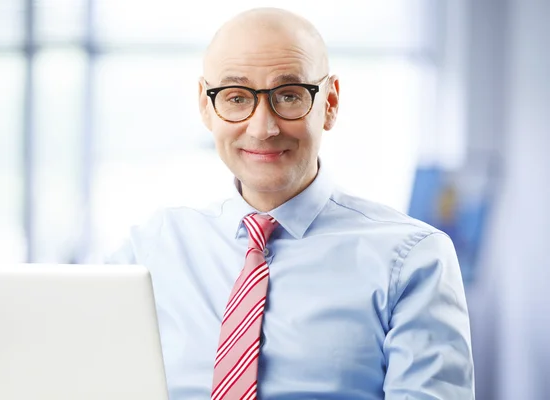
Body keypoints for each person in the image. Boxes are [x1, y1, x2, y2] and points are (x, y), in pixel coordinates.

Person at [108, 7, 475, 399]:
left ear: (329, 103)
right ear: (205, 105)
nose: (263, 128)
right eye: (235, 98)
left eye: (288, 96)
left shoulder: (413, 260)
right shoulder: (148, 251)